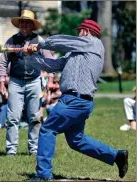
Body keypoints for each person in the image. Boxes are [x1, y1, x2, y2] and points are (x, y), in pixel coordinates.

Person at [26, 19, 128, 179]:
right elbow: (54, 65)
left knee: (47, 130)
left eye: (79, 32)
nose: (77, 35)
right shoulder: (77, 52)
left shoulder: (92, 43)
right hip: (78, 102)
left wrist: (41, 44)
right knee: (76, 140)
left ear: (86, 32)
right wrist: (31, 57)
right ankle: (117, 156)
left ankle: (43, 175)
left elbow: (60, 42)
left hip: (74, 101)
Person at [0, 10, 54, 156]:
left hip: (34, 81)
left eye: (27, 22)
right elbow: (3, 63)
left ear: (32, 25)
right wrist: (2, 82)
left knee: (35, 117)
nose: (24, 25)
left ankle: (33, 149)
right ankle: (11, 150)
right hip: (15, 82)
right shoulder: (11, 41)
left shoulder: (40, 41)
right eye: (22, 22)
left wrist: (50, 79)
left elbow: (50, 61)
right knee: (12, 117)